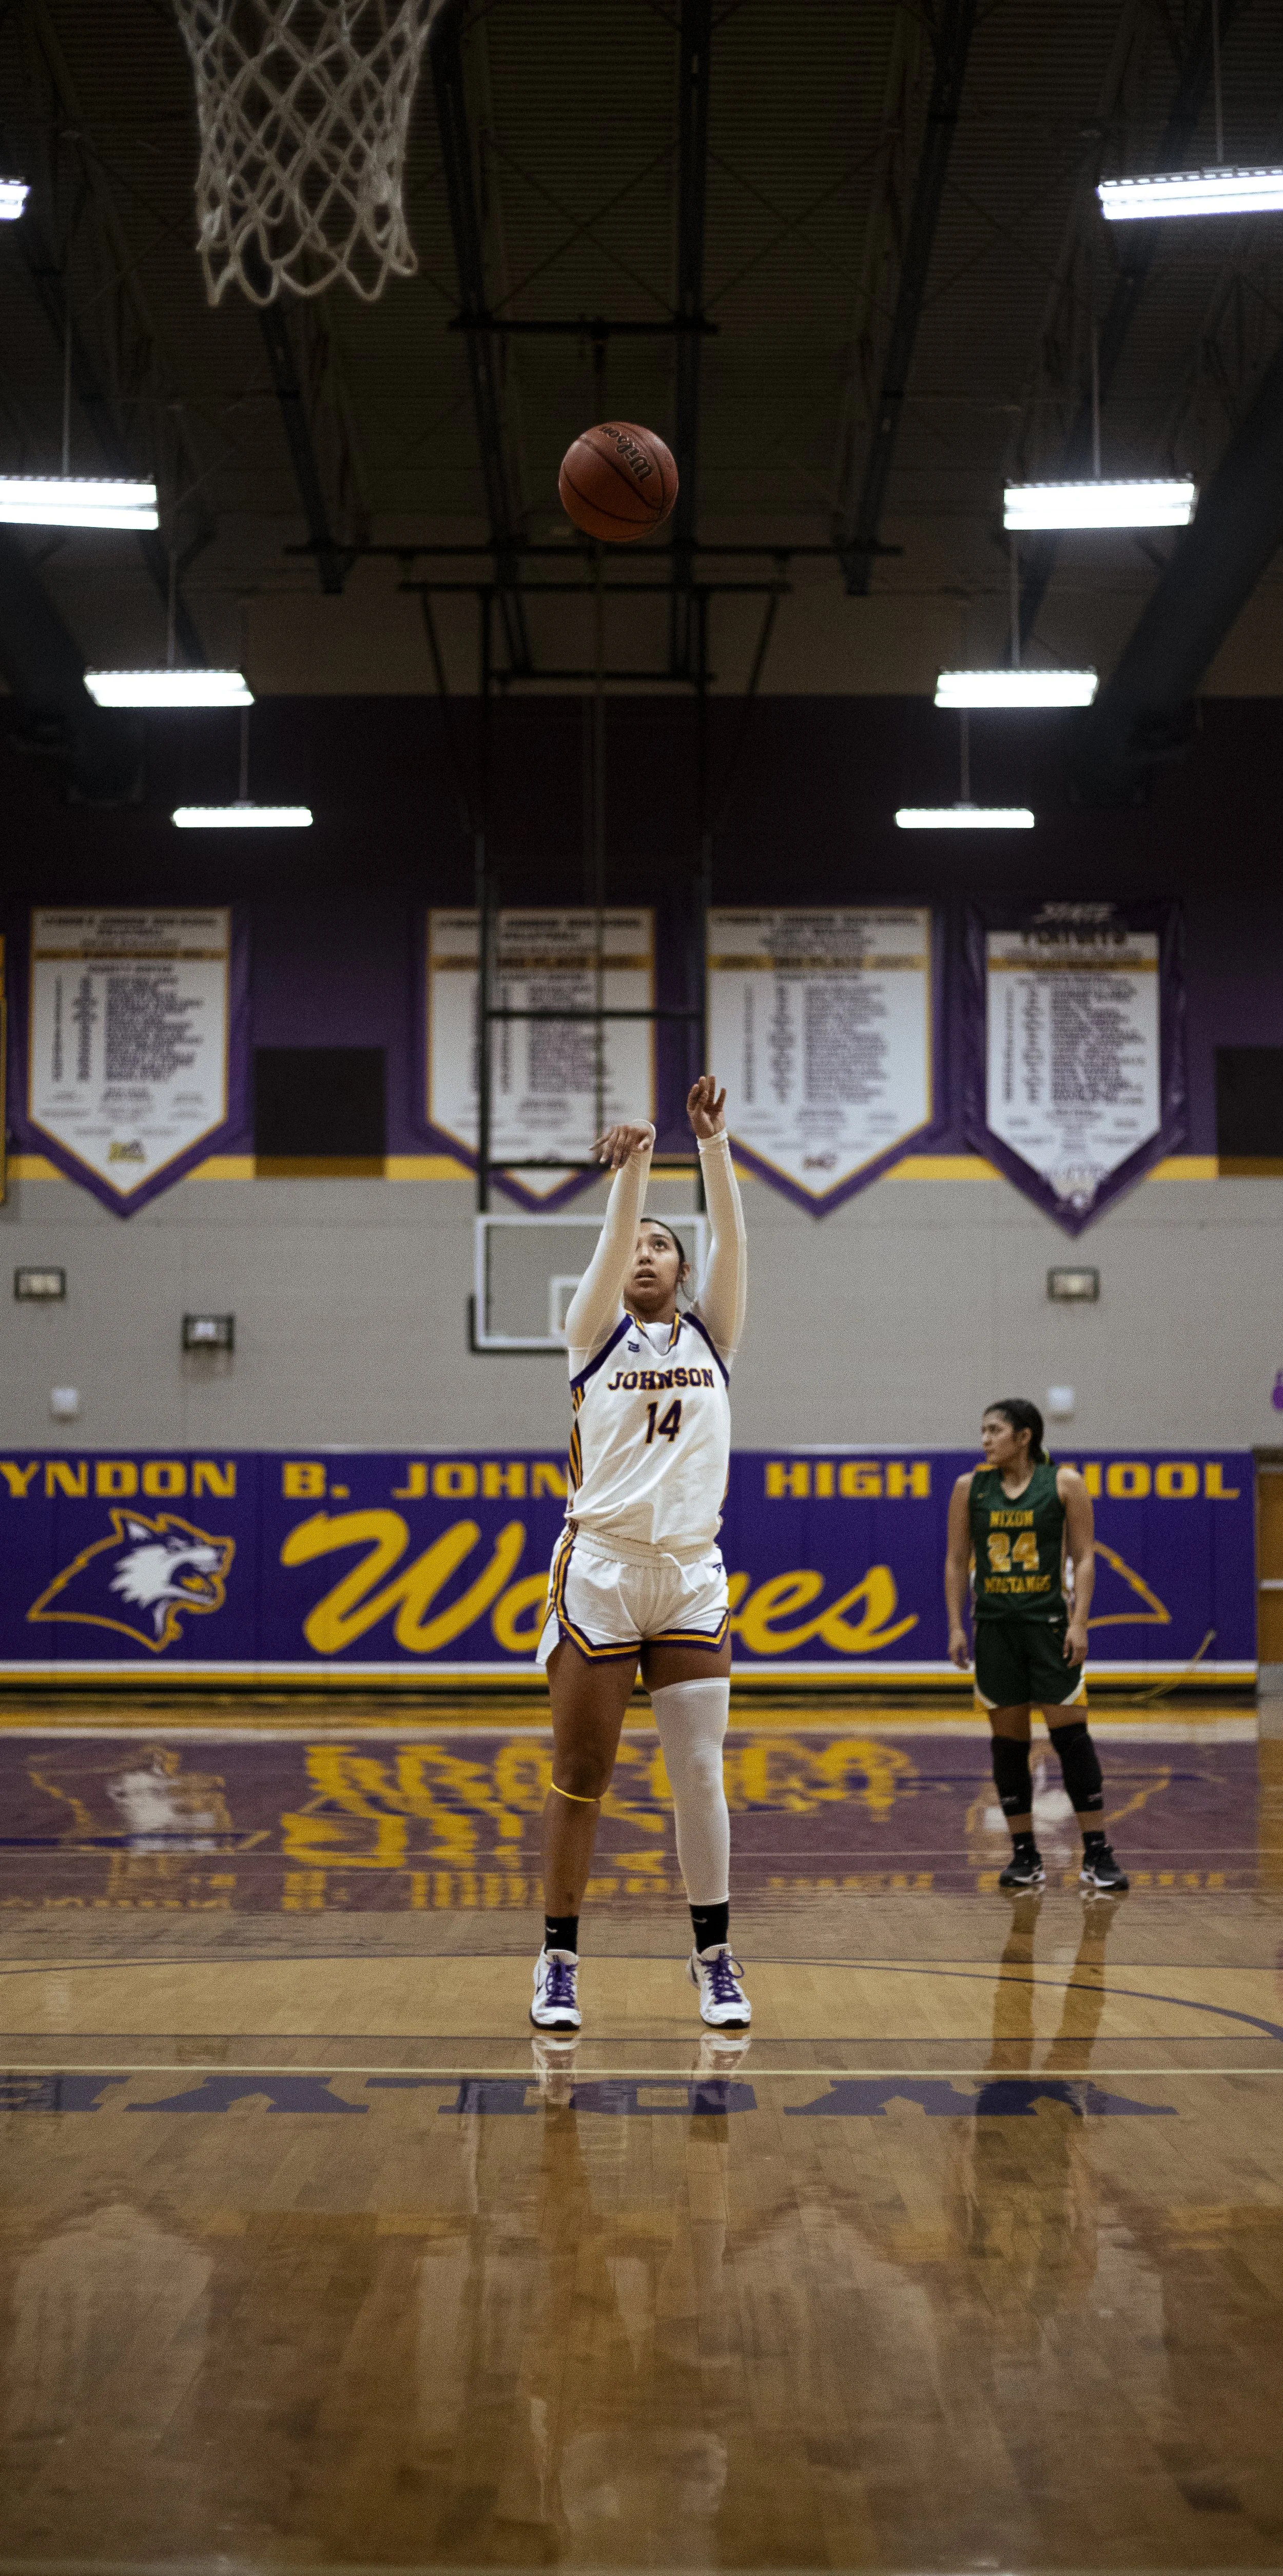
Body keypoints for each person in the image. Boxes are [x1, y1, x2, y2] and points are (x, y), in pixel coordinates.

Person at [530, 1074, 749, 2035]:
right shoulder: (593, 1336)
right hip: (604, 1572)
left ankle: (715, 1958)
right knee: (583, 1771)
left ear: (684, 1268)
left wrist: (713, 1146)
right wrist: (633, 1167)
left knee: (701, 1773)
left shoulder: (713, 1334)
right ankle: (559, 1960)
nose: (647, 1253)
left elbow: (736, 1243)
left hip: (691, 1574)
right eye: (638, 1245)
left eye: (666, 1242)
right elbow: (616, 1240)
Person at [944, 1398, 1128, 1893]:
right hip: (995, 1630)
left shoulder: (1064, 1483)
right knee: (1009, 1745)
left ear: (1025, 1436)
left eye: (995, 1430)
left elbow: (1085, 1557)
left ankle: (1097, 1853)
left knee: (1072, 1739)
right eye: (982, 1430)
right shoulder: (969, 1488)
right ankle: (1025, 1854)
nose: (985, 1439)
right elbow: (957, 1561)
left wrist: (1080, 1621)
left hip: (1048, 1627)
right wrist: (957, 1626)